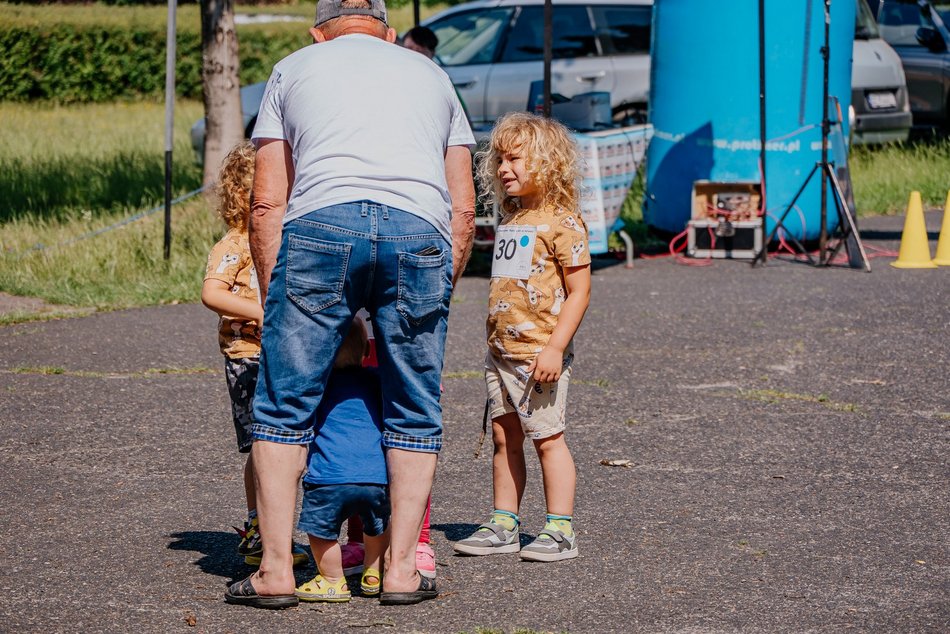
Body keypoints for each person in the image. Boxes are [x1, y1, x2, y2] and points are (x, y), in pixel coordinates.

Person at [224, 0, 475, 610]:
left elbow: (266, 200)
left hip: (318, 228)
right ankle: (399, 573)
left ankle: (278, 569)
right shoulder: (431, 74)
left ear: (319, 33)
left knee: (284, 405)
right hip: (419, 229)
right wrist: (440, 286)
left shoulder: (293, 68)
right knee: (415, 408)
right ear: (387, 33)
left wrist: (277, 293)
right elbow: (463, 204)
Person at [453, 112, 591, 562]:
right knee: (503, 436)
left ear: (548, 163)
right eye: (500, 160)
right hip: (501, 353)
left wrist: (554, 347)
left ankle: (560, 529)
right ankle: (505, 522)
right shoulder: (512, 216)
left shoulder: (563, 222)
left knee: (547, 438)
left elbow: (579, 291)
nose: (504, 169)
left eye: (516, 159)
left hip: (538, 355)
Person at [200, 142, 309, 571]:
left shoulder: (286, 240)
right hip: (249, 357)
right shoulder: (236, 242)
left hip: (284, 351)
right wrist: (261, 312)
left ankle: (272, 527)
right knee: (263, 445)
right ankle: (258, 528)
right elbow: (212, 292)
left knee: (285, 442)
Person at [295, 318, 388, 603]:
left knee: (321, 530)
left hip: (328, 477)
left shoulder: (317, 386)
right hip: (376, 477)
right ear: (363, 352)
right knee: (377, 526)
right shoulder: (374, 380)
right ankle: (373, 573)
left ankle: (332, 580)